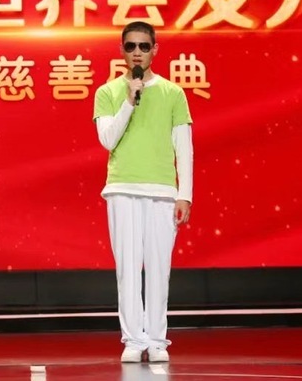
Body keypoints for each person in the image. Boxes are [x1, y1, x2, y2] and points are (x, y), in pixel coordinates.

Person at [92, 21, 193, 363]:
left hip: (162, 189)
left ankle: (157, 340)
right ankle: (134, 340)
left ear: (155, 50)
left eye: (144, 46)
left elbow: (184, 147)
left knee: (159, 268)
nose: (137, 52)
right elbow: (108, 139)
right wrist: (129, 102)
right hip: (122, 187)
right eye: (131, 46)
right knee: (128, 268)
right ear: (122, 50)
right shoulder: (108, 92)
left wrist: (185, 194)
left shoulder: (173, 93)